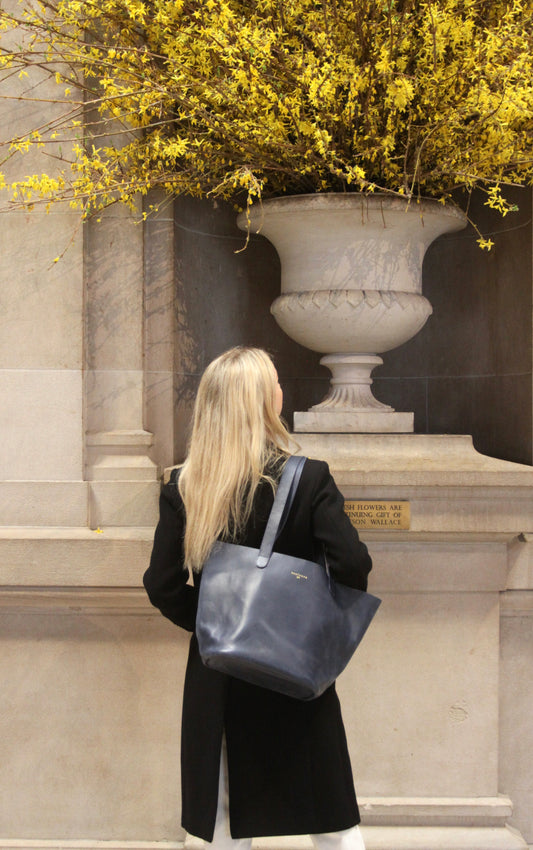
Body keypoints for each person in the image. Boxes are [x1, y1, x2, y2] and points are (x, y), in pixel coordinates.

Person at [143, 346, 373, 850]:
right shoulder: (309, 477)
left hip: (218, 673)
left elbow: (161, 585)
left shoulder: (185, 485)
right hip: (295, 667)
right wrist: (310, 627)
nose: (281, 392)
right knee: (330, 816)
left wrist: (217, 627)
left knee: (222, 822)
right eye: (275, 384)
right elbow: (353, 566)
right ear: (264, 402)